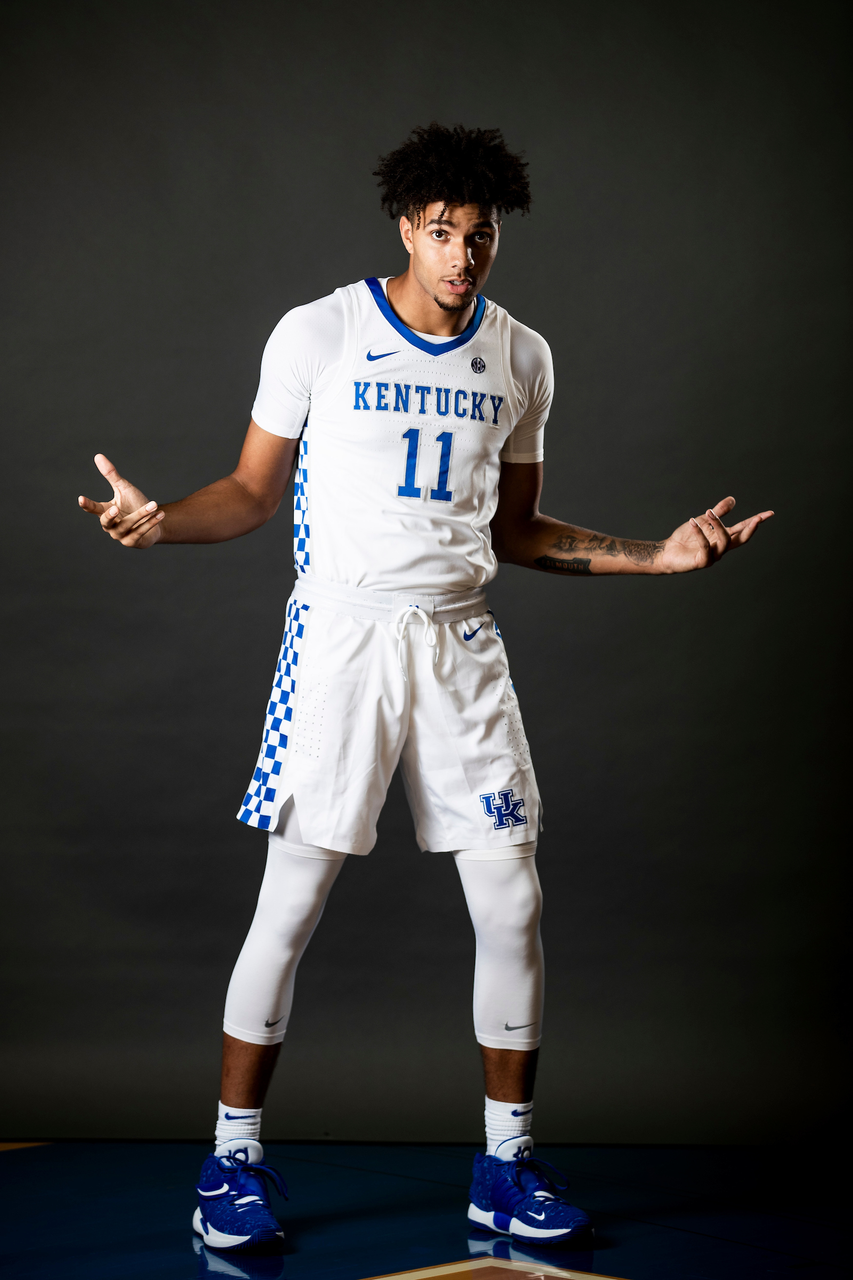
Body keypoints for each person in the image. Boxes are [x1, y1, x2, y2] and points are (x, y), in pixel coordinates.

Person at [78, 122, 773, 1254]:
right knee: (291, 902)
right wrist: (156, 525)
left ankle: (505, 1167)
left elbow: (517, 529)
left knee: (513, 902)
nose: (462, 254)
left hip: (459, 644)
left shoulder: (523, 356)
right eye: (442, 231)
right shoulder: (320, 331)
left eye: (480, 234)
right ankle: (231, 1162)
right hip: (342, 639)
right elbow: (251, 492)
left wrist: (659, 555)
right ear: (406, 226)